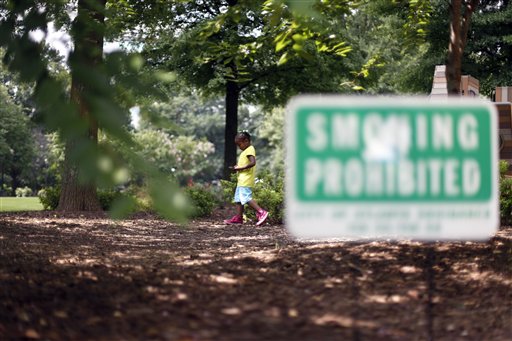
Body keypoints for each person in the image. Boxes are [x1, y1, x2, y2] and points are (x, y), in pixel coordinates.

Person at [223, 131, 269, 226]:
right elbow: (245, 164)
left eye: (239, 144)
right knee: (239, 199)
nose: (239, 147)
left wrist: (240, 168)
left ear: (246, 141)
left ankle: (261, 212)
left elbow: (253, 163)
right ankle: (239, 218)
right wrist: (237, 167)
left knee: (246, 198)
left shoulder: (250, 149)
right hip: (241, 180)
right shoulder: (245, 151)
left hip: (246, 179)